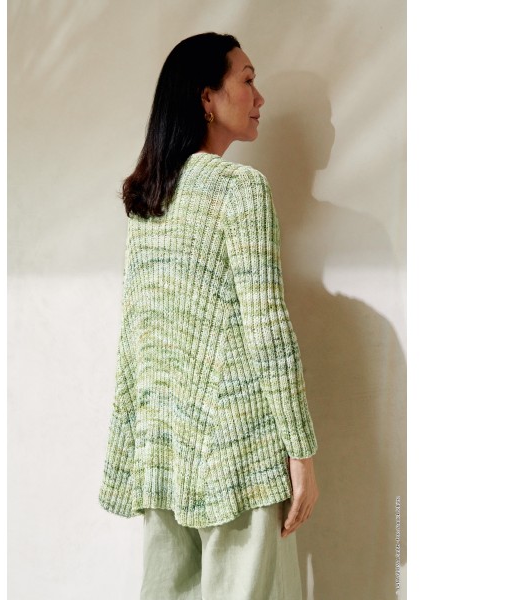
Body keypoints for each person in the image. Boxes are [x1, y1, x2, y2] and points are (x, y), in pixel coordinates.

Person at [99, 32, 319, 599]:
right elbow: (267, 328)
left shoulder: (148, 196)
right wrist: (301, 453)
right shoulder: (239, 189)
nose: (259, 97)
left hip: (164, 452)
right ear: (206, 98)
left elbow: (138, 336)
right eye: (247, 80)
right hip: (239, 455)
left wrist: (135, 446)